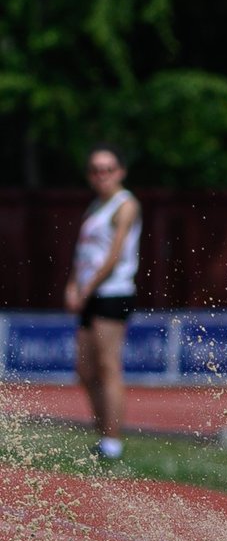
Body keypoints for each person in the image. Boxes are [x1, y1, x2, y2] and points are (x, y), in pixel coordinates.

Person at [64, 144, 142, 461]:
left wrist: (88, 287)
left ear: (120, 172)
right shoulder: (95, 206)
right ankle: (102, 431)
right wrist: (73, 284)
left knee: (108, 365)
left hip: (112, 292)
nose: (102, 175)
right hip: (90, 292)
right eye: (95, 170)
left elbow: (114, 255)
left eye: (108, 169)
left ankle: (112, 441)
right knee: (84, 369)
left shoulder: (125, 205)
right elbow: (83, 252)